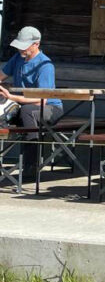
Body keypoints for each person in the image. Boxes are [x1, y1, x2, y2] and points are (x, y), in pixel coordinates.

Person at [0, 27, 63, 174]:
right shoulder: (17, 58)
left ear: (36, 44)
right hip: (20, 105)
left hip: (50, 108)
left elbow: (41, 100)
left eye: (24, 46)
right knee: (11, 112)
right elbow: (1, 75)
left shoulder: (45, 65)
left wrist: (11, 96)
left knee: (27, 111)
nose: (21, 49)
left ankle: (30, 167)